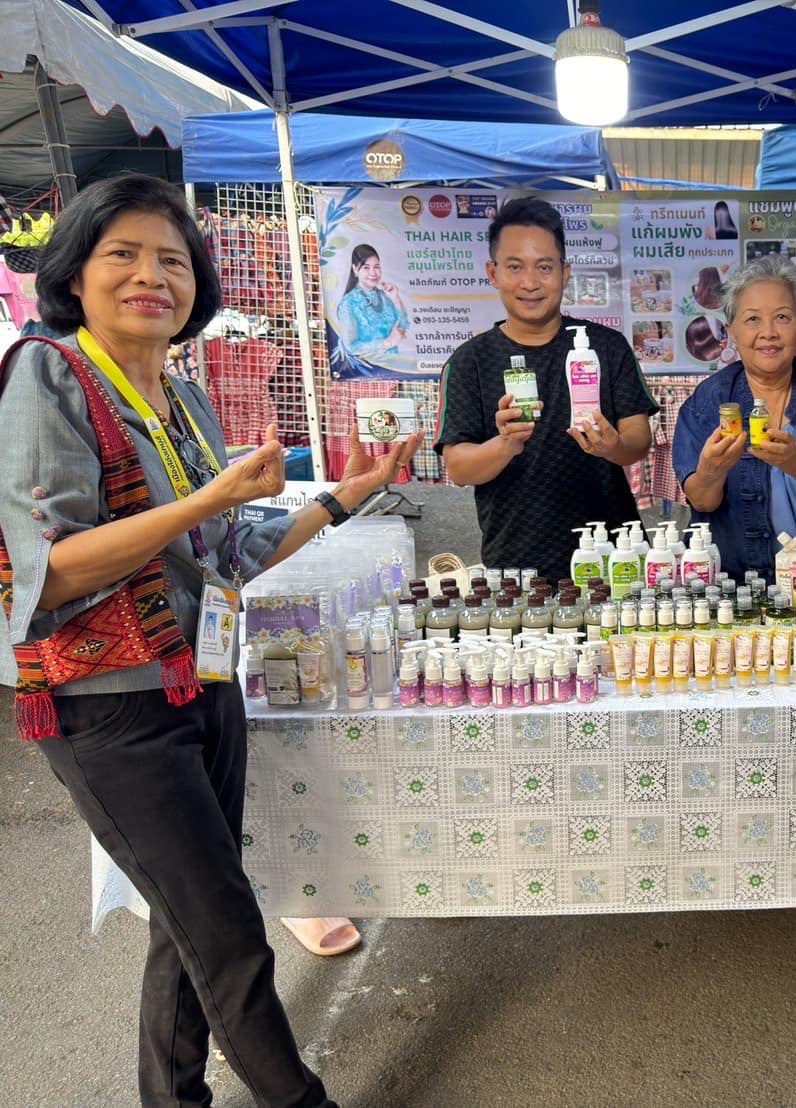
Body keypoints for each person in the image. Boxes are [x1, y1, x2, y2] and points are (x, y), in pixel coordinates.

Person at [0, 175, 422, 1106]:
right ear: (73, 272)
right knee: (226, 931)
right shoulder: (48, 376)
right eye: (123, 254)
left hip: (205, 679)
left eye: (173, 260)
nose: (151, 276)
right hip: (110, 704)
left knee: (187, 923)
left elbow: (230, 552)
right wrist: (204, 501)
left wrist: (342, 497)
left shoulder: (185, 398)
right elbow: (48, 570)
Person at [436, 197, 657, 584]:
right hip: (517, 564)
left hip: (613, 556)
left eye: (544, 267)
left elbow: (639, 441)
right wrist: (505, 444)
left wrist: (614, 446)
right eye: (515, 267)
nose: (530, 282)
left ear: (565, 272)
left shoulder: (605, 347)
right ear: (493, 272)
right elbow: (459, 468)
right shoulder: (470, 362)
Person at [673, 254, 796, 579]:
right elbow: (702, 501)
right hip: (736, 586)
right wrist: (711, 470)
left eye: (782, 317)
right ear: (732, 330)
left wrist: (794, 459)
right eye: (752, 319)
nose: (768, 332)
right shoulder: (710, 400)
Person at [336, 243, 409, 356]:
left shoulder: (384, 296)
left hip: (394, 363)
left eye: (377, 267)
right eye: (366, 267)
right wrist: (387, 343)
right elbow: (351, 347)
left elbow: (403, 326)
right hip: (368, 366)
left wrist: (395, 298)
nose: (373, 273)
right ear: (355, 269)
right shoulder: (348, 303)